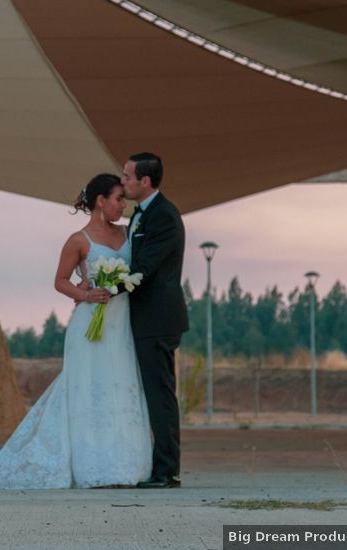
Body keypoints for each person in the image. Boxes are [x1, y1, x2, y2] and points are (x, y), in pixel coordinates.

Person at [0, 174, 152, 489]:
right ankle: (94, 465)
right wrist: (86, 295)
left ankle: (128, 464)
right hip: (91, 326)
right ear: (101, 201)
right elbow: (60, 281)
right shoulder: (78, 240)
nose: (121, 207)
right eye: (118, 200)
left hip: (124, 322)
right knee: (90, 389)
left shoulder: (129, 233)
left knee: (124, 388)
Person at [119, 152, 188, 489]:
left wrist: (107, 287)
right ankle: (159, 465)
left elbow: (144, 269)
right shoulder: (141, 215)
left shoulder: (163, 216)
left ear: (145, 181)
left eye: (127, 177)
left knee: (160, 394)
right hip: (144, 317)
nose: (123, 182)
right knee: (152, 393)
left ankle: (167, 471)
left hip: (158, 319)